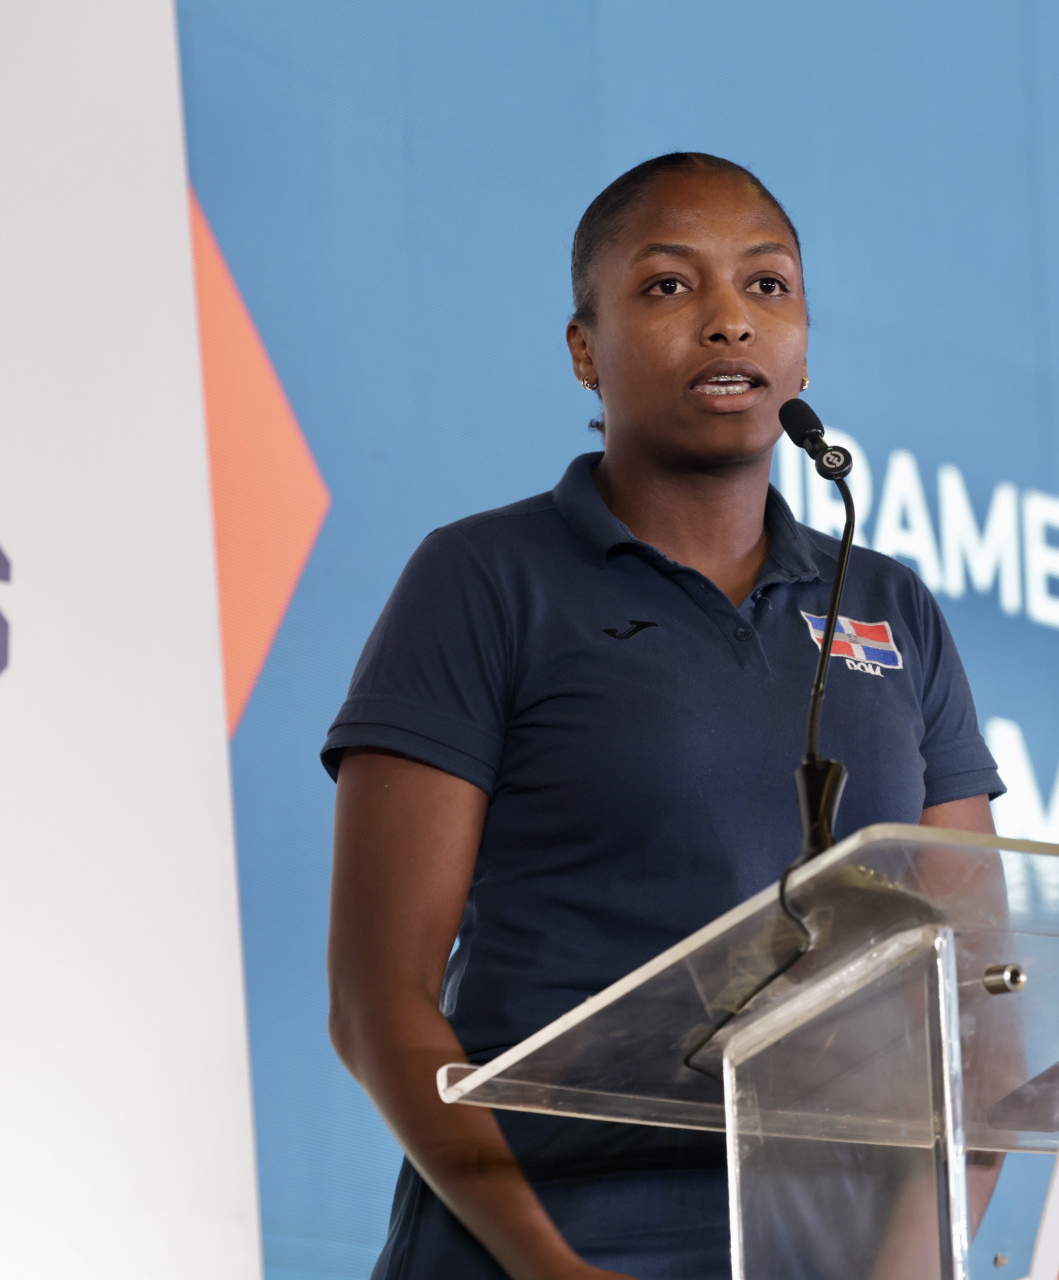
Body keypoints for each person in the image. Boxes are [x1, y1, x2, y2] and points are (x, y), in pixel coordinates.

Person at [323, 152, 1004, 1280]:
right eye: (669, 285)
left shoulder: (891, 607)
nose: (730, 319)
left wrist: (907, 1265)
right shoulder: (486, 578)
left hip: (822, 1246)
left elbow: (981, 1001)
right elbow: (375, 997)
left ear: (802, 345)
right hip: (543, 1239)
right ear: (584, 351)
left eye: (767, 285)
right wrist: (550, 1266)